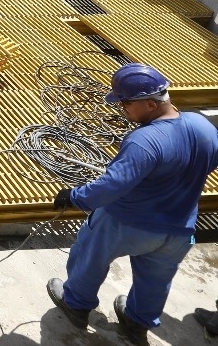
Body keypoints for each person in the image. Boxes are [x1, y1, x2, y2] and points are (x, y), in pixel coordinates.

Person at [46, 63, 218, 345]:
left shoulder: (144, 141)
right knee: (155, 282)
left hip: (125, 224)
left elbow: (112, 186)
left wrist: (75, 196)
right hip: (179, 229)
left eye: (126, 102)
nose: (122, 108)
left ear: (150, 103)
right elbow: (209, 162)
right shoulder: (202, 125)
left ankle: (76, 306)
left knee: (89, 257)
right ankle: (137, 323)